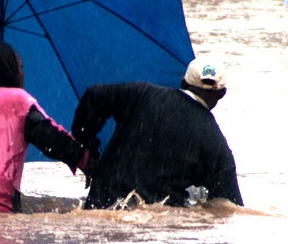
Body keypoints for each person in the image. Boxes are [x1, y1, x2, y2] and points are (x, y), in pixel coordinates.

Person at [71, 58, 243, 209]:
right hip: (155, 221)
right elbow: (229, 208)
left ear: (183, 83)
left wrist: (89, 147)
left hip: (102, 203)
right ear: (221, 94)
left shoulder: (141, 94)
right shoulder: (215, 143)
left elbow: (94, 95)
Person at [0, 42, 90, 213]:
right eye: (20, 67)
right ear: (9, 70)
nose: (23, 73)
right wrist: (87, 160)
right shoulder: (18, 100)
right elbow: (52, 139)